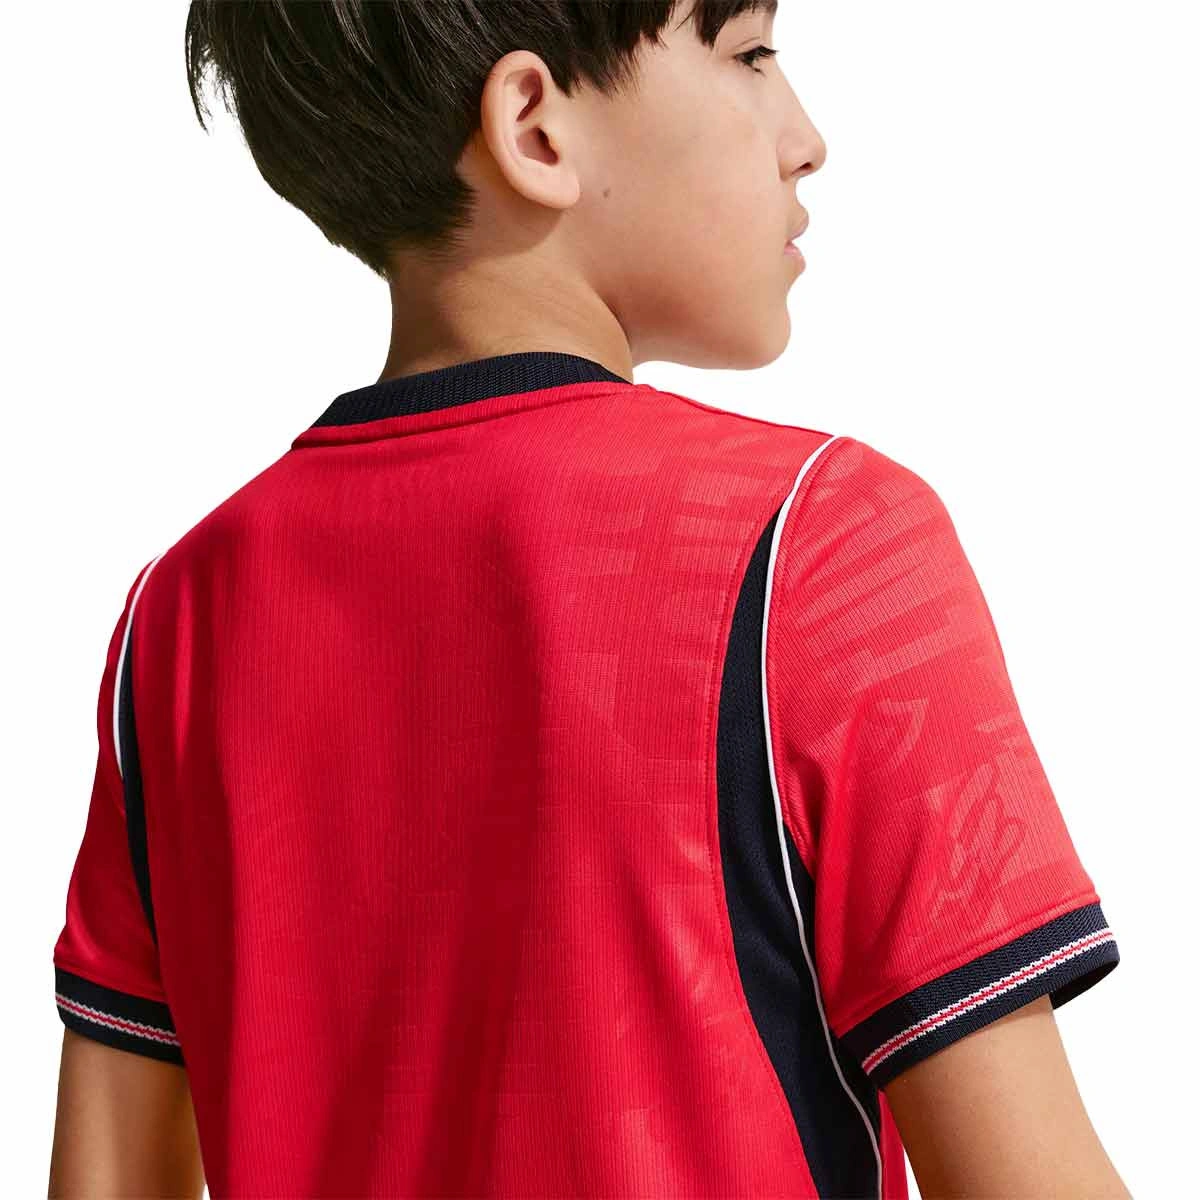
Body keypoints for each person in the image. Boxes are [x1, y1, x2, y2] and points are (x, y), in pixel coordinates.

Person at [48, 3, 1130, 1197]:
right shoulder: (816, 542)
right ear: (534, 128)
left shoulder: (179, 617)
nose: (806, 138)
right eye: (750, 54)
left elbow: (105, 1178)